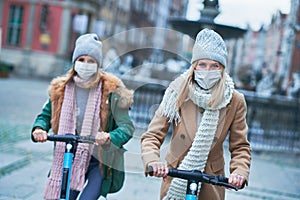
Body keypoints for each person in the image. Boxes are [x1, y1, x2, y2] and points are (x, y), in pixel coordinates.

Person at [141, 28, 251, 200]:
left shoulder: (235, 100)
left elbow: (240, 146)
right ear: (194, 66)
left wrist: (239, 172)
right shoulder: (177, 92)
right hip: (177, 174)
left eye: (214, 66)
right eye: (202, 64)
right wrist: (153, 160)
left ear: (222, 69)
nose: (208, 71)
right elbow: (152, 136)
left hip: (211, 180)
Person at [31, 33, 134, 200]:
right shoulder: (61, 89)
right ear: (74, 62)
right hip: (69, 155)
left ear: (98, 64)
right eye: (81, 59)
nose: (86, 65)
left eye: (91, 61)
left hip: (99, 161)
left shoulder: (111, 91)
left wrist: (109, 136)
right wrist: (39, 128)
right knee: (64, 197)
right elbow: (45, 115)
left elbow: (127, 127)